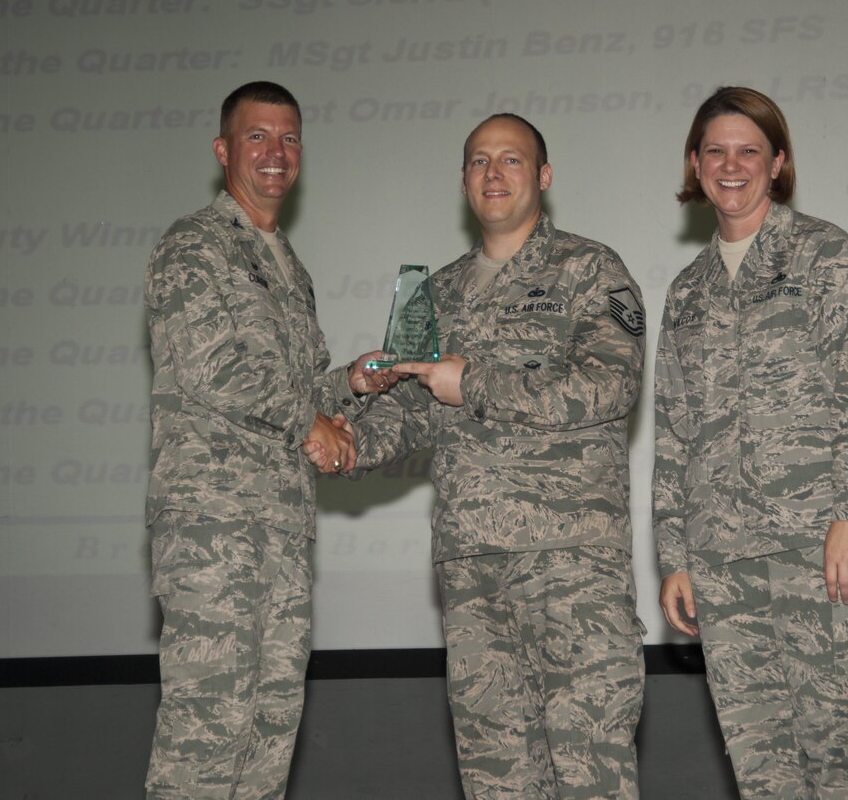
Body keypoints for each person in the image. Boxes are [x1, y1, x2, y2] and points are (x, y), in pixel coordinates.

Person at [320, 113, 647, 798]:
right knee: (496, 777)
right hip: (472, 568)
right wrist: (350, 436)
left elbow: (610, 386)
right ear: (463, 180)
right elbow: (409, 420)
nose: (493, 174)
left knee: (591, 770)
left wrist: (473, 382)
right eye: (477, 161)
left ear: (544, 178)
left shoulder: (592, 269)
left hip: (570, 562)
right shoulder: (431, 292)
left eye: (511, 160)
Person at [653, 86, 848, 798]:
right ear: (696, 164)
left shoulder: (826, 255)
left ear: (778, 163)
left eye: (749, 151)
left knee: (838, 754)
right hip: (723, 559)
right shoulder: (687, 293)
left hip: (824, 547)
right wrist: (674, 557)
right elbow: (674, 430)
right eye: (716, 151)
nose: (731, 165)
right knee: (762, 766)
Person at [144, 80, 396, 799]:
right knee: (205, 734)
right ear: (224, 149)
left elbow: (297, 388)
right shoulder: (194, 245)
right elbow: (211, 366)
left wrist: (347, 383)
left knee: (268, 732)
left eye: (288, 138)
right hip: (213, 526)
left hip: (280, 531)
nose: (275, 153)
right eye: (258, 137)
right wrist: (306, 419)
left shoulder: (290, 268)